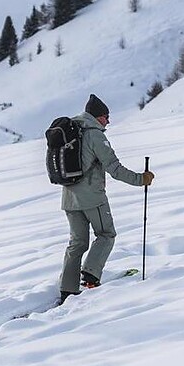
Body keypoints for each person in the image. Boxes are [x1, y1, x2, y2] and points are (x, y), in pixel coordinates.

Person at [58, 95, 153, 304]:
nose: (108, 121)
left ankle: (67, 289)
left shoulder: (73, 130)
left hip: (69, 198)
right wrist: (141, 180)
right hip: (92, 197)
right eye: (106, 117)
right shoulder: (95, 136)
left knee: (77, 243)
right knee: (106, 234)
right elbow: (115, 169)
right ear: (97, 117)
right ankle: (91, 275)